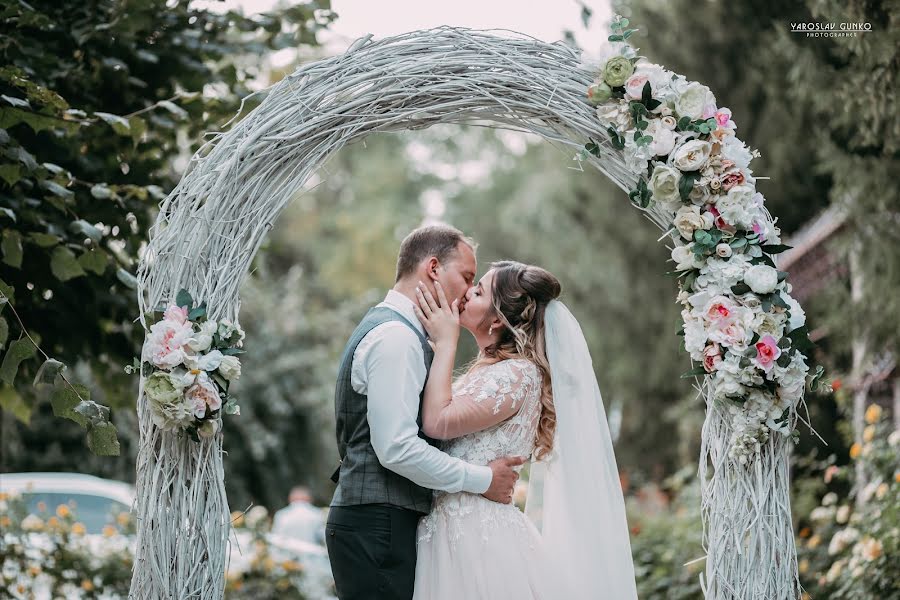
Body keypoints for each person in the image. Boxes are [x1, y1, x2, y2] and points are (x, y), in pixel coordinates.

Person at [410, 260, 638, 599]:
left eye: (479, 290)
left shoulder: (517, 374)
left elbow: (438, 422)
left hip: (477, 540)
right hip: (454, 529)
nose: (466, 293)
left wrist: (446, 343)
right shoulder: (490, 370)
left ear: (499, 319)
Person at [325, 225, 524, 600]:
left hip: (381, 522)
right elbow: (396, 447)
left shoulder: (404, 332)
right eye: (467, 277)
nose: (469, 291)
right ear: (433, 268)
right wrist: (483, 479)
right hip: (376, 527)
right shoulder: (396, 339)